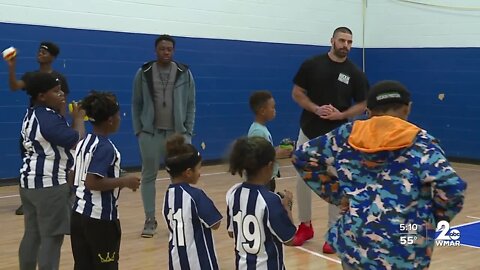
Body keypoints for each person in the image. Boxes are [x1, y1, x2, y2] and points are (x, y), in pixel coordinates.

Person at [292, 80, 467, 269]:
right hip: (405, 245)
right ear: (408, 108)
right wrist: (431, 219)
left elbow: (302, 157)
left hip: (354, 240)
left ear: (368, 110)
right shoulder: (421, 141)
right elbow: (452, 188)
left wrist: (338, 196)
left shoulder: (346, 134)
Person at [291, 26, 369, 252]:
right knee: (302, 181)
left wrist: (342, 115)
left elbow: (363, 103)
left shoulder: (355, 73)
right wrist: (315, 109)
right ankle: (305, 225)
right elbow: (297, 93)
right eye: (342, 40)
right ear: (332, 41)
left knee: (335, 182)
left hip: (336, 137)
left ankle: (334, 232)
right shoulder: (312, 65)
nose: (346, 45)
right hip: (308, 131)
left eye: (350, 42)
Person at [18, 72, 85, 270]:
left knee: (32, 234)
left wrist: (66, 115)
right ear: (41, 96)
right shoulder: (47, 118)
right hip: (50, 185)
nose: (62, 94)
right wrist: (79, 118)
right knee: (52, 238)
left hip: (29, 184)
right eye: (56, 91)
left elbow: (60, 136)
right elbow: (76, 141)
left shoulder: (33, 114)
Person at [132, 34, 196, 238]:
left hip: (177, 135)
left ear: (173, 51)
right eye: (162, 49)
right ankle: (150, 219)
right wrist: (139, 130)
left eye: (169, 49)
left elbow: (191, 103)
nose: (166, 52)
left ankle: (180, 219)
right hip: (150, 134)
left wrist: (188, 131)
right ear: (156, 50)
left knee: (179, 177)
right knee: (149, 175)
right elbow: (136, 103)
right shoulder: (144, 72)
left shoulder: (185, 72)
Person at [70, 91, 140, 270]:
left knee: (83, 265)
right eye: (117, 115)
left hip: (78, 215)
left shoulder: (84, 142)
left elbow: (72, 177)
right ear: (110, 120)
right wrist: (124, 181)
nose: (119, 119)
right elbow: (92, 182)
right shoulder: (105, 148)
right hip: (100, 220)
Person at [6, 41, 70, 215]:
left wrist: (64, 123)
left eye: (44, 51)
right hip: (35, 126)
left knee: (57, 161)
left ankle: (63, 195)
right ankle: (28, 200)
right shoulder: (31, 76)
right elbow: (14, 86)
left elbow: (63, 102)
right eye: (39, 50)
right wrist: (12, 67)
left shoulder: (59, 78)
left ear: (53, 57)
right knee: (28, 159)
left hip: (53, 126)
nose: (40, 53)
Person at [227, 136, 296, 269]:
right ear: (269, 166)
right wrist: (287, 207)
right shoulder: (271, 200)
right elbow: (290, 239)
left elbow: (232, 233)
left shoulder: (233, 194)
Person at [162, 134, 222, 269]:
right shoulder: (196, 195)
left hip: (176, 261)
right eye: (199, 168)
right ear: (188, 172)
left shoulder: (168, 196)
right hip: (199, 263)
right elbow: (216, 223)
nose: (200, 172)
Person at [247, 90, 292, 191]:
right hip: (262, 181)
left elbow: (264, 150)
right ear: (262, 111)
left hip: (268, 178)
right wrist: (277, 154)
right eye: (272, 107)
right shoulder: (257, 131)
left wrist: (277, 149)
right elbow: (258, 158)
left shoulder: (261, 129)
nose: (274, 110)